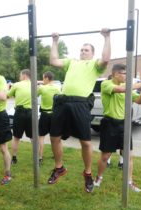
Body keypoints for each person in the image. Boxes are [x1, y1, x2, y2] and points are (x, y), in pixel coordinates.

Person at [48, 28, 111, 193]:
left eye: (86, 50)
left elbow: (105, 59)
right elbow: (54, 61)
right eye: (82, 50)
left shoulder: (95, 65)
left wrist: (106, 37)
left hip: (81, 104)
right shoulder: (72, 62)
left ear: (92, 53)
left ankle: (88, 173)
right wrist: (55, 41)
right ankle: (59, 167)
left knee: (86, 142)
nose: (83, 52)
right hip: (63, 101)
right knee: (54, 137)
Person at [94, 63, 141, 192]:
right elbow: (121, 90)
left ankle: (129, 182)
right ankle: (98, 178)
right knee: (105, 156)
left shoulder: (127, 87)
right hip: (110, 123)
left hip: (124, 124)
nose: (127, 76)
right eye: (125, 73)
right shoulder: (106, 84)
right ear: (116, 74)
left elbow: (140, 101)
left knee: (129, 155)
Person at [7, 69, 32, 164]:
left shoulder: (17, 85)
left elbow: (7, 95)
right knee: (33, 138)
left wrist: (7, 88)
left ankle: (14, 158)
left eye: (20, 75)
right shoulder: (34, 85)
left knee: (16, 137)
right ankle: (37, 158)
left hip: (19, 113)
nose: (19, 77)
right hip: (30, 113)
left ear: (24, 75)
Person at [37, 71, 61, 165]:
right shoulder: (58, 88)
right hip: (55, 115)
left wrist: (40, 86)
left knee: (41, 137)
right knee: (56, 137)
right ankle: (56, 155)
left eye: (43, 78)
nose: (43, 80)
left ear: (47, 78)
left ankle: (40, 157)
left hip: (45, 115)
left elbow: (35, 95)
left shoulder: (42, 88)